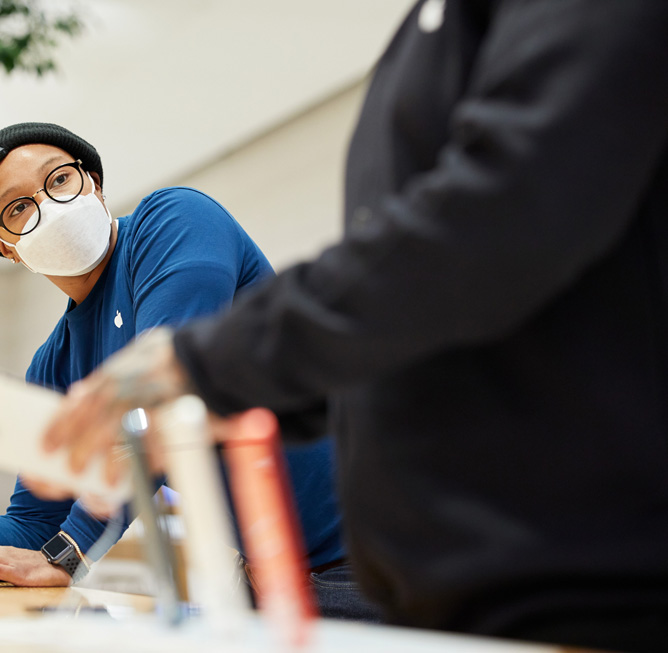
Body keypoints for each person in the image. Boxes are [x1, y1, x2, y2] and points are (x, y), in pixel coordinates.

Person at [34, 3, 668, 652]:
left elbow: (505, 215)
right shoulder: (425, 37)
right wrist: (271, 394)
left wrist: (211, 365)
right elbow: (419, 315)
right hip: (452, 590)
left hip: (586, 582)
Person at [0, 122, 381, 621]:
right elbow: (32, 527)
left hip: (371, 557)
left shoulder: (173, 222)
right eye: (18, 208)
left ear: (92, 182)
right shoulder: (54, 362)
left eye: (58, 180)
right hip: (268, 580)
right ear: (6, 247)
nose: (48, 206)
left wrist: (67, 554)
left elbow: (165, 391)